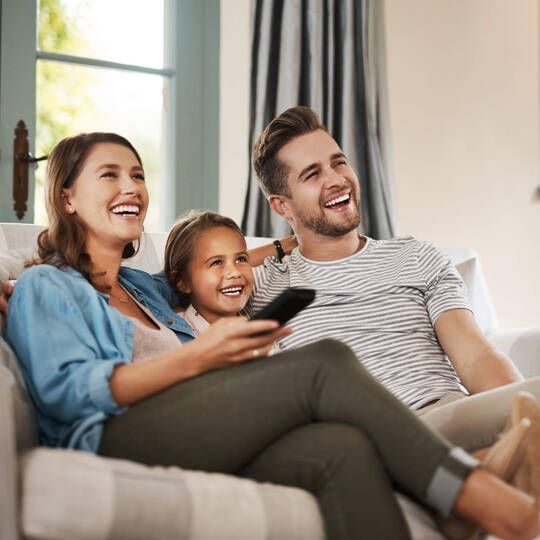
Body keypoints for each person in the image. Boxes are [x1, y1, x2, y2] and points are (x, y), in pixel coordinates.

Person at [3, 132, 540, 540]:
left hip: (191, 425)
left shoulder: (144, 289)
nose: (131, 187)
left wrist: (286, 245)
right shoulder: (46, 285)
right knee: (322, 363)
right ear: (67, 198)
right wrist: (197, 359)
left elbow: (204, 266)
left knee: (339, 446)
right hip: (111, 437)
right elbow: (68, 394)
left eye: (138, 175)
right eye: (110, 175)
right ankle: (491, 505)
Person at [248, 105, 540, 458]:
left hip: (449, 417)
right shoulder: (262, 286)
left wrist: (523, 414)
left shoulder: (415, 256)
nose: (336, 179)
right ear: (282, 206)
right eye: (312, 174)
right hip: (367, 443)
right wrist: (285, 245)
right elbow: (179, 278)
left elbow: (476, 357)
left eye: (338, 162)